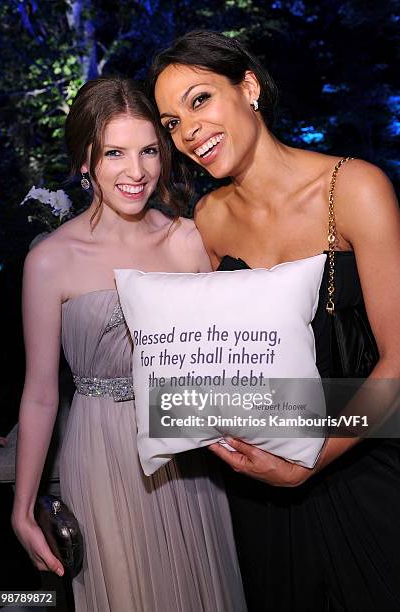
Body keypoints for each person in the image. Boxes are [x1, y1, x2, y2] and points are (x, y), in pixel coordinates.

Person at [150, 30, 400, 612]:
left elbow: (397, 363)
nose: (187, 132)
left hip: (368, 466)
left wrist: (310, 458)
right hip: (260, 489)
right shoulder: (207, 220)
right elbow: (216, 364)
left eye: (199, 100)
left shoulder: (354, 188)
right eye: (169, 123)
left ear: (249, 87)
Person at [11, 76, 247, 612]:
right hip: (100, 456)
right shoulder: (50, 259)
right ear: (86, 161)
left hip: (188, 456)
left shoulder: (188, 240)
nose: (136, 171)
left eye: (148, 151)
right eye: (115, 152)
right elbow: (42, 394)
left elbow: (222, 362)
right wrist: (22, 508)